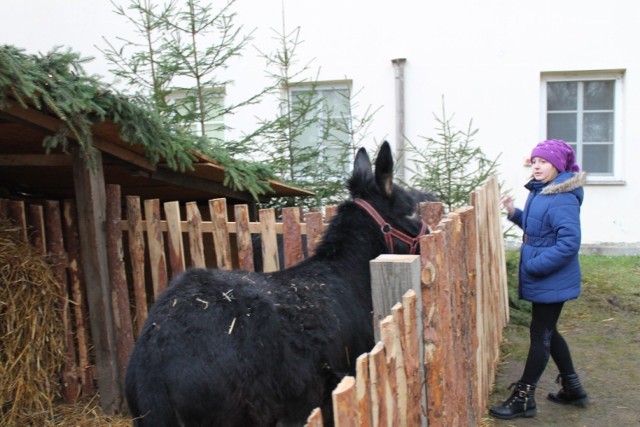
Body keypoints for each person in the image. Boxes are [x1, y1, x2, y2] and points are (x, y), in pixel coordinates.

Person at [489, 139, 589, 420]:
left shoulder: (562, 197)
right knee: (548, 330)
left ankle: (523, 398)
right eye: (534, 161)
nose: (536, 166)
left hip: (550, 276)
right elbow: (537, 229)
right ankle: (573, 387)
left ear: (557, 166)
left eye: (543, 161)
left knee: (540, 335)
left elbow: (569, 242)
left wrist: (535, 267)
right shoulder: (541, 192)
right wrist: (513, 212)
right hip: (545, 275)